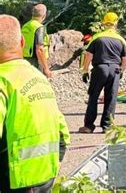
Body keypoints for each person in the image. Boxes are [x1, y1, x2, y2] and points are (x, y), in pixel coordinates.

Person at [0, 14, 70, 193]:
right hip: (45, 174)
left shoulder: (3, 80)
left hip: (17, 180)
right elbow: (63, 133)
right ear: (22, 42)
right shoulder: (38, 76)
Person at [79, 12, 126, 133]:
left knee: (93, 97)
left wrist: (85, 70)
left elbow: (88, 55)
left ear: (103, 22)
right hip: (115, 70)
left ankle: (89, 126)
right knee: (111, 98)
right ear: (116, 23)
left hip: (100, 69)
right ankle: (107, 127)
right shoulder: (121, 40)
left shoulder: (97, 37)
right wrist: (121, 70)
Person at [21, 4, 52, 78]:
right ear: (44, 15)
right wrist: (46, 69)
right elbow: (39, 49)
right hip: (36, 62)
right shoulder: (39, 28)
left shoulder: (26, 25)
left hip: (24, 59)